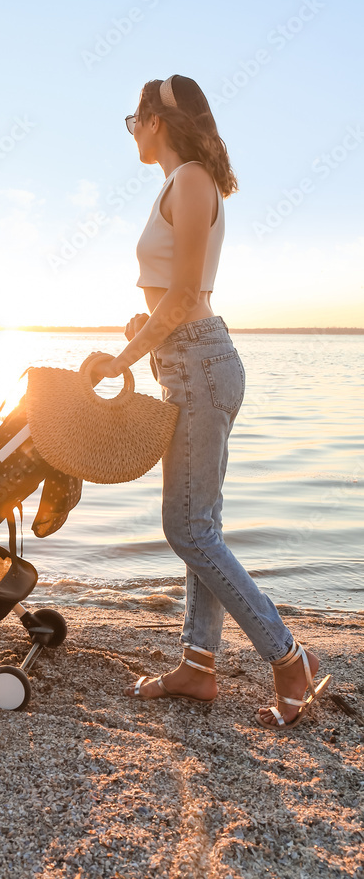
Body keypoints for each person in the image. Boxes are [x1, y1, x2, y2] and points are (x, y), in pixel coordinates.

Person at [89, 75, 331, 731]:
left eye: (131, 119)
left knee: (187, 529)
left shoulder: (190, 180)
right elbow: (171, 295)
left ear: (154, 122)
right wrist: (139, 336)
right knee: (202, 528)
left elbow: (185, 294)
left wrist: (124, 355)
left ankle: (290, 660)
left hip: (198, 365)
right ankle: (198, 666)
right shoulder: (179, 185)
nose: (130, 132)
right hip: (186, 364)